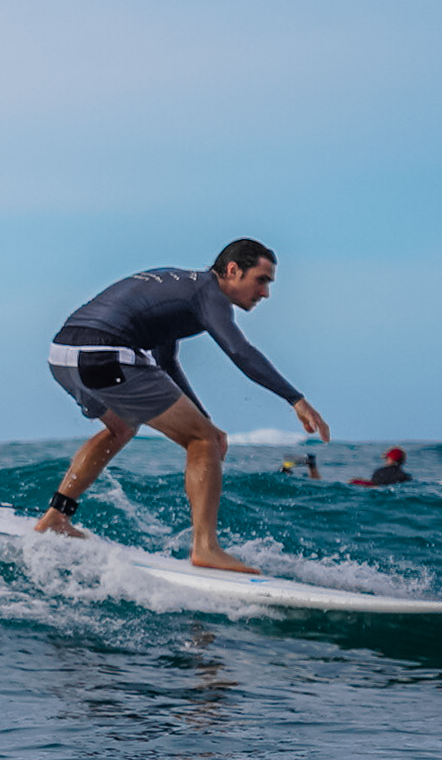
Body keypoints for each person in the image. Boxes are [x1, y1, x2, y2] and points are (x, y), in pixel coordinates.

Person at [36, 239, 330, 572]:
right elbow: (239, 351)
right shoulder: (210, 296)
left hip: (63, 354)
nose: (265, 293)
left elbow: (166, 363)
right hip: (103, 352)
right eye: (261, 280)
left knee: (122, 428)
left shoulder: (180, 288)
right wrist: (296, 399)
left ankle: (56, 516)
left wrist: (203, 419)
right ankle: (206, 547)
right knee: (200, 440)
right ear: (233, 270)